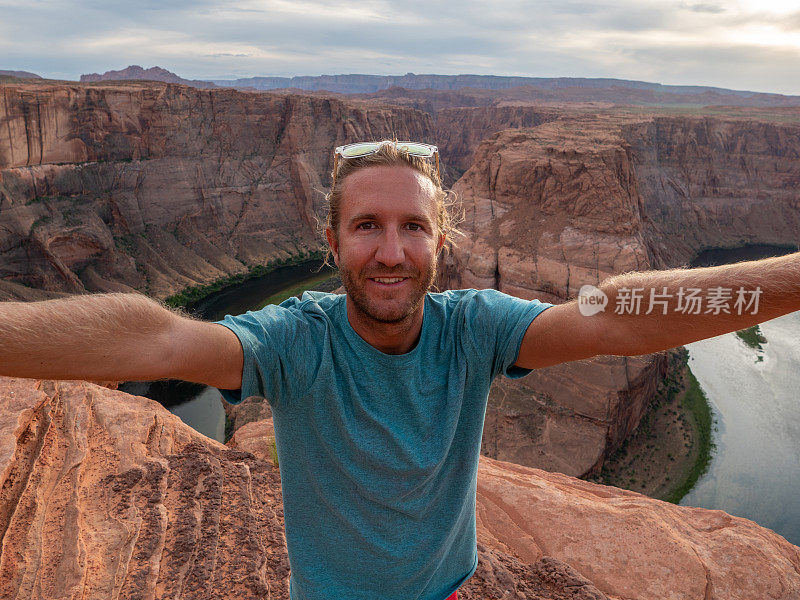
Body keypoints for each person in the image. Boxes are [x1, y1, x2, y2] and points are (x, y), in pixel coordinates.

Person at [0, 139, 798, 600]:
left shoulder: (474, 328)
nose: (391, 251)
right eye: (367, 227)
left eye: (413, 227)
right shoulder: (296, 341)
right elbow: (158, 341)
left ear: (440, 243)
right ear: (333, 242)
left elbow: (614, 316)